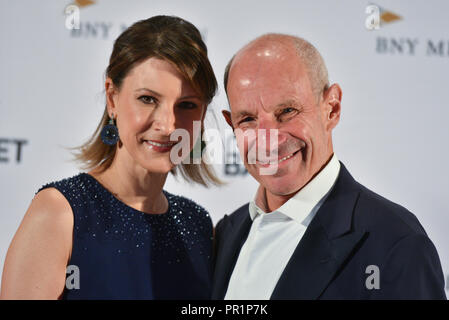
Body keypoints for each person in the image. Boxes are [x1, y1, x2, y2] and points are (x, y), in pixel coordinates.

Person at [0, 15, 220, 299]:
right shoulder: (62, 212)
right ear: (112, 98)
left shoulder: (197, 225)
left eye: (187, 105)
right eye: (148, 99)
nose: (168, 125)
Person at [212, 33, 446, 299]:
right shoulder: (226, 233)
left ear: (331, 109)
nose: (268, 142)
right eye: (248, 119)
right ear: (232, 125)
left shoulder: (394, 244)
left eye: (287, 111)